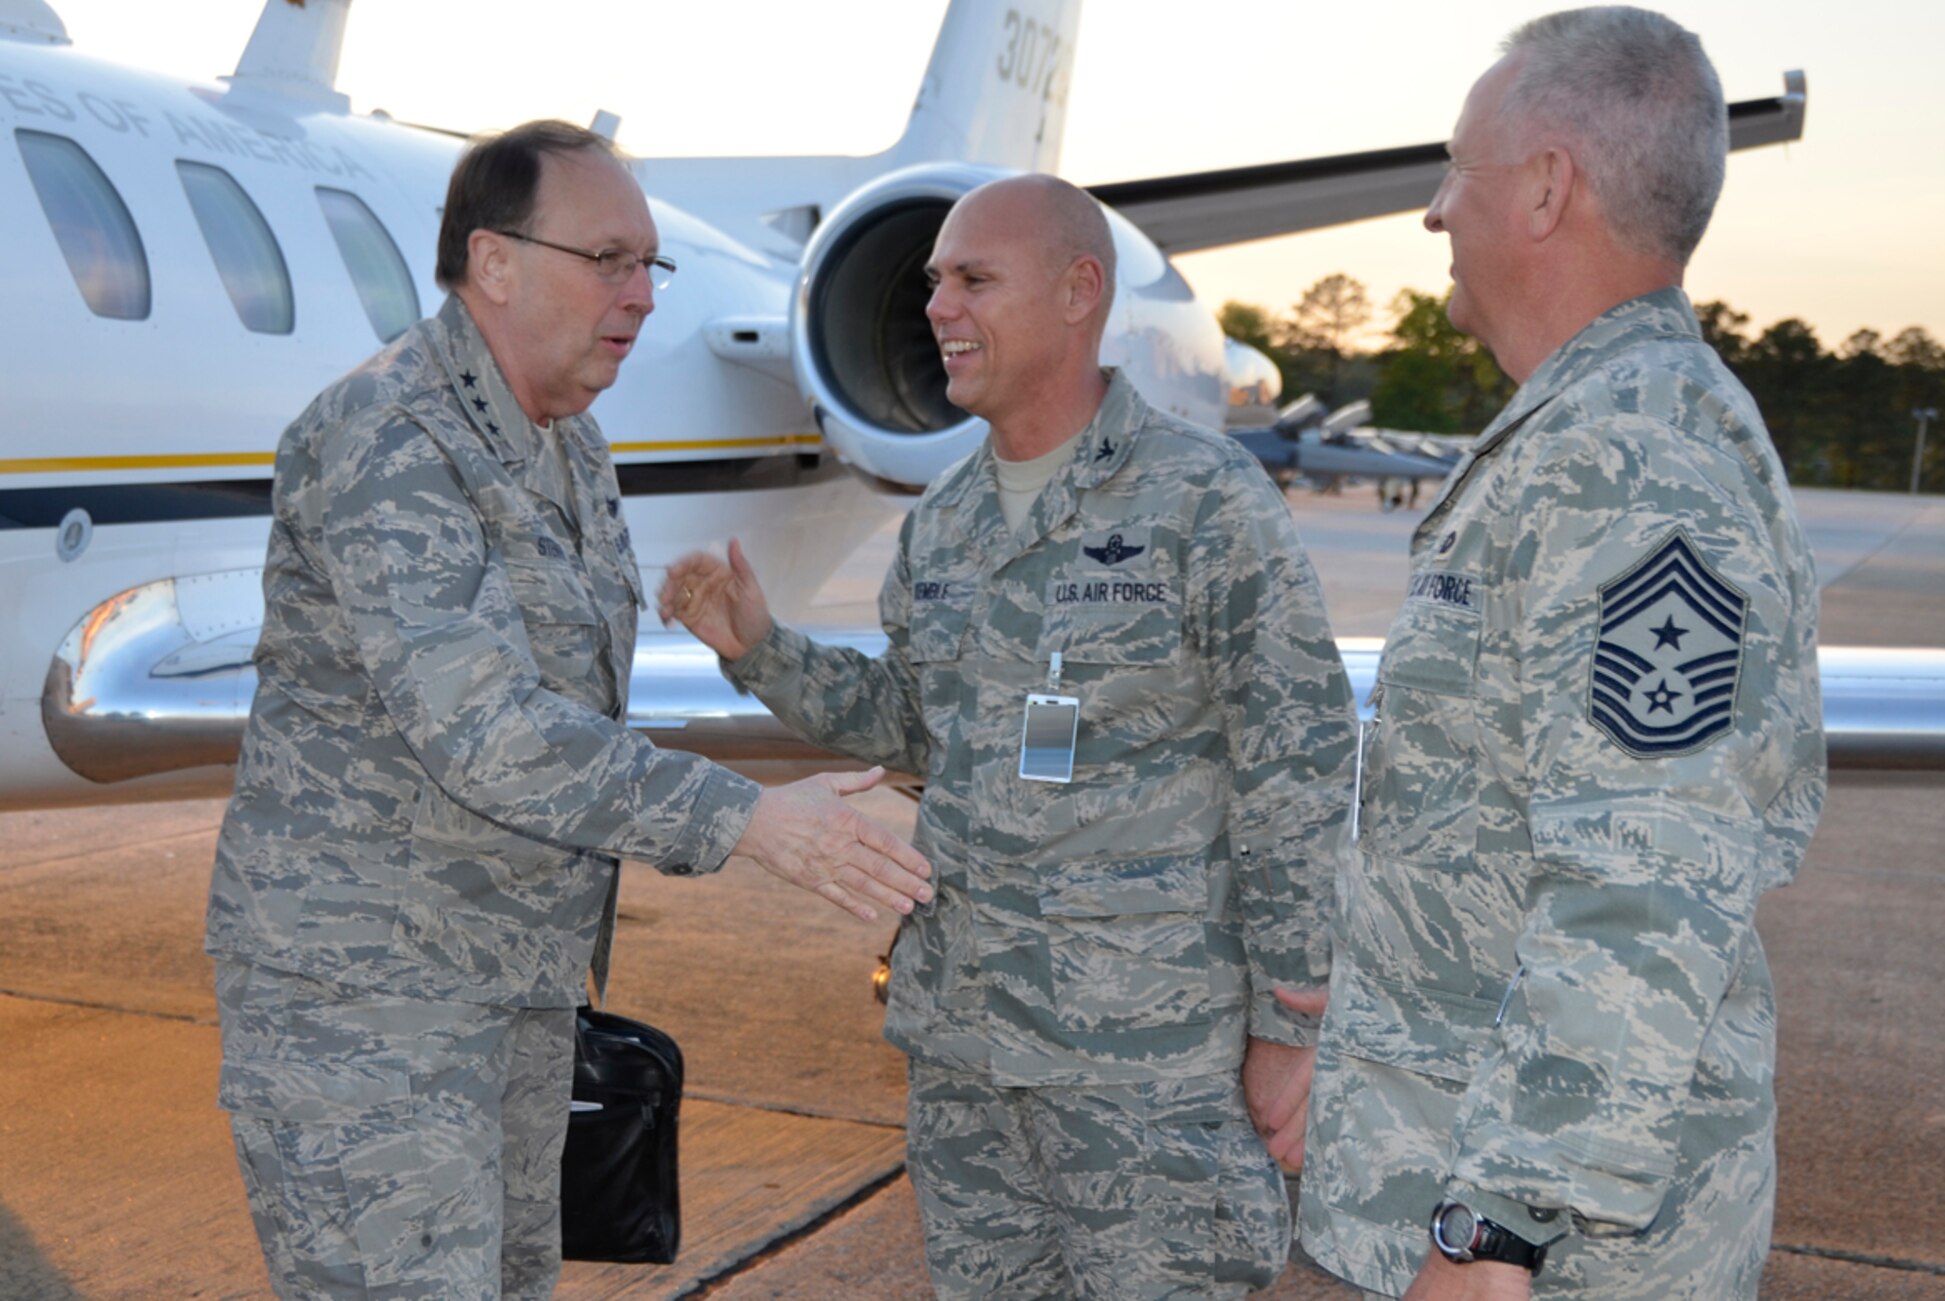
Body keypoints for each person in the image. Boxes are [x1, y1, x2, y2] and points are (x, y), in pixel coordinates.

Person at [204, 119, 934, 1300]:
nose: (643, 295)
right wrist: (752, 820)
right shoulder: (390, 436)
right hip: (371, 1003)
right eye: (609, 260)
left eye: (651, 265)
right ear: (494, 261)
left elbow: (563, 696)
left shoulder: (570, 443)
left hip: (512, 988)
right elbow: (487, 731)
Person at [663, 173, 1356, 1298]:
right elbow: (917, 724)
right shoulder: (944, 523)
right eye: (934, 282)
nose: (936, 306)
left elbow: (1298, 764)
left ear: (1079, 291)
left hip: (1142, 1066)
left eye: (973, 279)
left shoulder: (1200, 501)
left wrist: (1290, 1021)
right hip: (965, 1058)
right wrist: (759, 648)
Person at [1274, 7, 1827, 1300]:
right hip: (1458, 1153)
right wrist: (1384, 969)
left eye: (1454, 172)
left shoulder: (1629, 464)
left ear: (1542, 189)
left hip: (1561, 1250)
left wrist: (1494, 1231)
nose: (1430, 212)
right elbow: (1525, 812)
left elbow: (1646, 881)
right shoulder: (1590, 432)